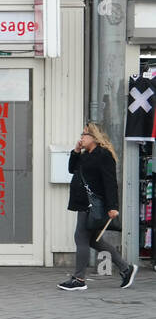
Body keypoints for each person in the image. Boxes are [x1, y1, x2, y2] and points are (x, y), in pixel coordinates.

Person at [59, 123, 138, 291]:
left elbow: (110, 182)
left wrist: (113, 206)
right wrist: (76, 151)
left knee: (80, 237)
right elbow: (72, 169)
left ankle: (79, 279)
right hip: (83, 202)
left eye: (84, 134)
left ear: (94, 137)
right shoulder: (85, 154)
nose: (81, 137)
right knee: (95, 241)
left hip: (92, 205)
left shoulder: (104, 155)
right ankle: (126, 268)